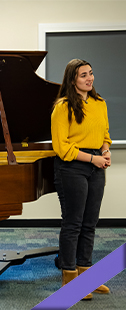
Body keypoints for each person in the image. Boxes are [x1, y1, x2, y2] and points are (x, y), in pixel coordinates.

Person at [51, 59, 112, 300]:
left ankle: (87, 274)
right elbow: (61, 147)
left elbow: (105, 134)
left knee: (90, 223)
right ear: (72, 80)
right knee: (73, 223)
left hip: (97, 165)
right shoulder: (62, 107)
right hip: (72, 167)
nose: (90, 78)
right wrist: (92, 159)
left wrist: (105, 151)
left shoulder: (100, 103)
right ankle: (69, 275)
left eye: (91, 73)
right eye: (83, 75)